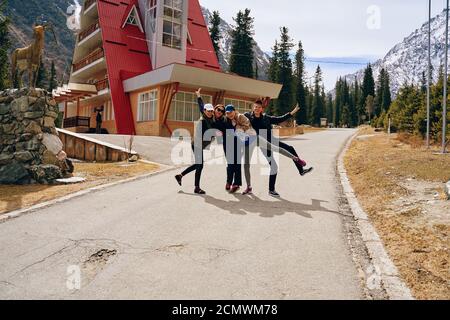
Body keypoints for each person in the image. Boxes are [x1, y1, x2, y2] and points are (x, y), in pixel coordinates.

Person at [244, 100, 313, 197]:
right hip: (264, 145)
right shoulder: (248, 116)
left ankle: (301, 170)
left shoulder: (266, 117)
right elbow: (238, 118)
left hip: (272, 140)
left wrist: (292, 113)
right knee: (274, 166)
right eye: (255, 107)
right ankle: (271, 190)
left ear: (262, 109)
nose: (257, 109)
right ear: (253, 108)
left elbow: (279, 119)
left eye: (259, 107)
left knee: (290, 148)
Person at [174, 92, 216, 194]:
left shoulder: (209, 117)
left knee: (199, 164)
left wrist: (198, 96)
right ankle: (196, 187)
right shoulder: (203, 121)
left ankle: (180, 176)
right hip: (197, 144)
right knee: (200, 165)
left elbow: (201, 106)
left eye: (211, 111)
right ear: (205, 111)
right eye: (208, 111)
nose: (210, 112)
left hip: (199, 145)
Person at [223, 105, 251, 194]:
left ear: (235, 111)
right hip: (228, 143)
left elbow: (247, 125)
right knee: (230, 164)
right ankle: (229, 181)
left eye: (231, 112)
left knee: (237, 163)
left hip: (238, 142)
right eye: (227, 113)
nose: (229, 114)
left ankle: (236, 184)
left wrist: (237, 128)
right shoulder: (226, 119)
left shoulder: (240, 117)